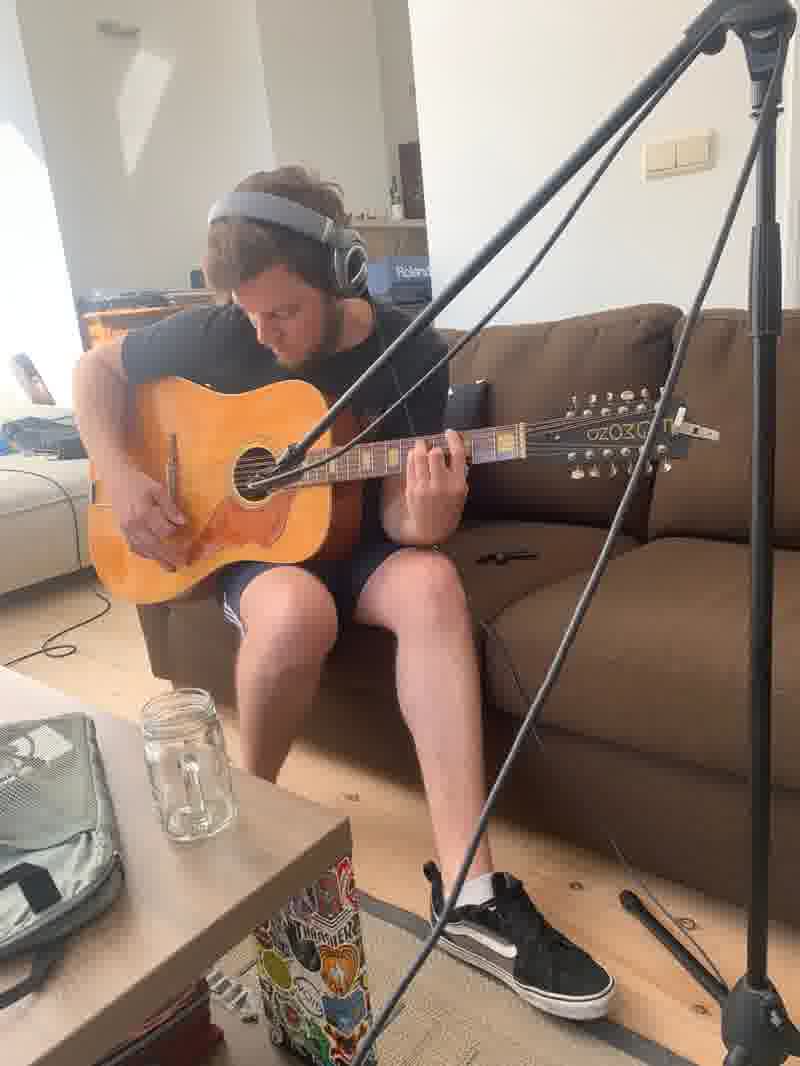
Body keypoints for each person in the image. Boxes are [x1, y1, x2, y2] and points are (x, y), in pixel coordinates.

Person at [73, 165, 614, 1021]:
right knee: (294, 609)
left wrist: (429, 515)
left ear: (343, 273)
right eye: (252, 313)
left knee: (434, 580)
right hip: (253, 554)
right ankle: (252, 823)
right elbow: (96, 372)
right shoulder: (224, 334)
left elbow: (399, 519)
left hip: (359, 546)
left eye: (284, 311)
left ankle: (468, 890)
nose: (266, 332)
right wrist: (119, 467)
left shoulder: (411, 352)